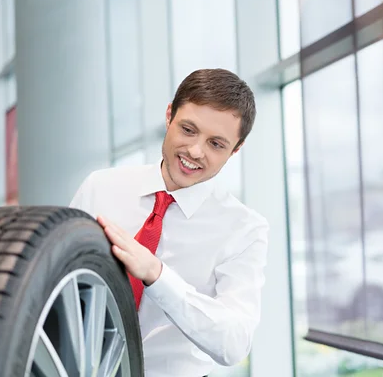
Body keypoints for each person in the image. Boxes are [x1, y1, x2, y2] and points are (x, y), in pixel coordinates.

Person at [69, 68, 269, 377]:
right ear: (168, 116)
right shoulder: (100, 187)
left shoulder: (244, 229)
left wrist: (157, 277)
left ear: (236, 149)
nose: (195, 151)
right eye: (188, 129)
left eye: (216, 144)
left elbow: (235, 342)